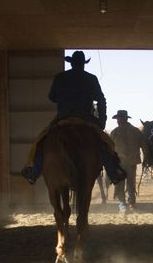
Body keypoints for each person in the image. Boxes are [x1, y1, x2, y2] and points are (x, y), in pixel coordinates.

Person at [21, 51, 126, 185]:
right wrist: (102, 121)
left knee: (40, 141)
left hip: (63, 118)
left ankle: (34, 172)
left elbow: (51, 97)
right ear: (83, 64)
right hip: (86, 119)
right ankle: (113, 172)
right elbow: (101, 99)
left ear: (71, 63)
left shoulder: (60, 77)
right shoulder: (91, 78)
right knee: (106, 143)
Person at [109, 110, 148, 213]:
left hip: (120, 163)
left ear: (122, 119)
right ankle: (131, 203)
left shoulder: (114, 132)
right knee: (131, 183)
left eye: (118, 119)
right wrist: (145, 159)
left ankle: (123, 205)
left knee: (121, 184)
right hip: (131, 162)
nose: (118, 121)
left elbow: (109, 148)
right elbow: (144, 146)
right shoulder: (135, 131)